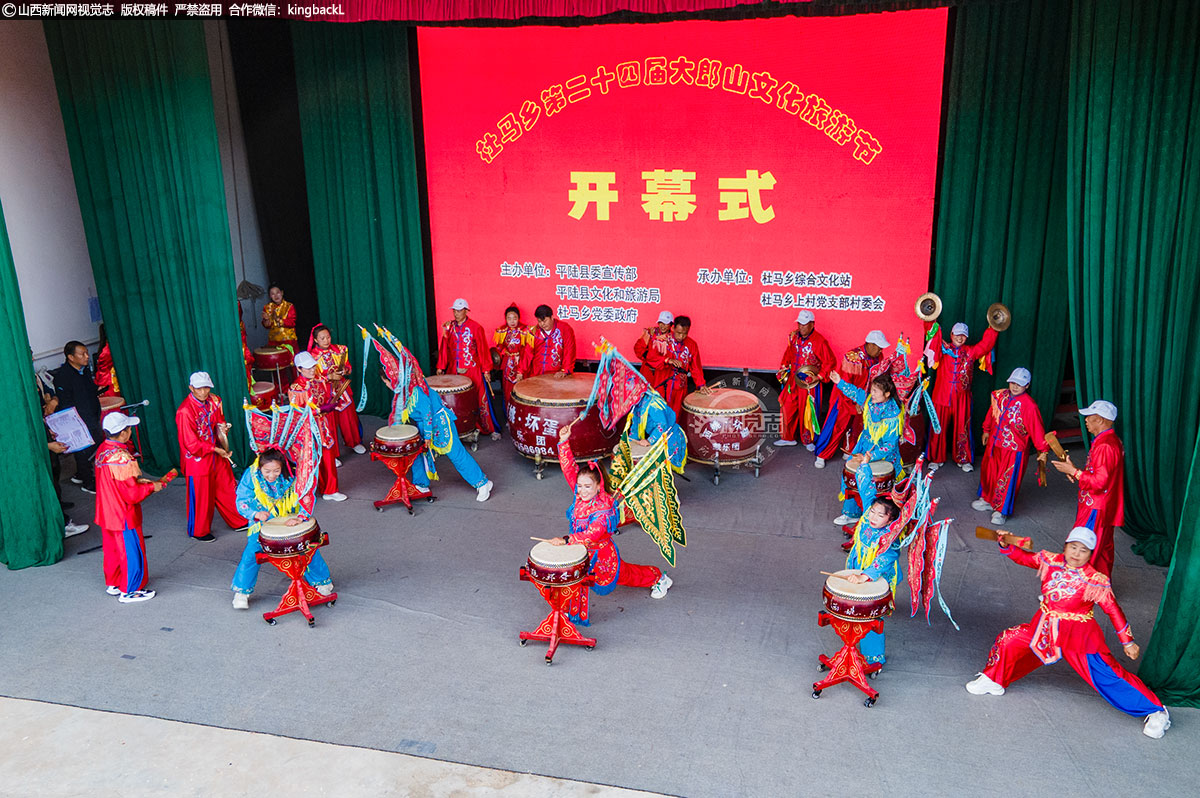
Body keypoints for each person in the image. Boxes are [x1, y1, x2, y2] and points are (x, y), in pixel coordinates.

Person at [965, 527, 1170, 739]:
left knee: (1107, 676)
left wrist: (1127, 641)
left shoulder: (1095, 580)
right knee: (1010, 639)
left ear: (1091, 554)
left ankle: (1155, 710)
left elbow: (1113, 609)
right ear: (1065, 546)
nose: (1076, 553)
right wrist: (1005, 545)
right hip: (1043, 629)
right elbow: (1024, 558)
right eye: (1073, 547)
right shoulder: (1050, 561)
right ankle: (993, 679)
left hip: (1078, 638)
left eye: (1083, 550)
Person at [544, 422, 672, 625]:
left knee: (625, 575)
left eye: (587, 486)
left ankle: (658, 577)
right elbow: (569, 469)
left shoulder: (603, 508)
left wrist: (567, 539)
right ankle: (571, 611)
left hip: (601, 554)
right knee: (575, 577)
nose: (582, 490)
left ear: (598, 486)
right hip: (580, 550)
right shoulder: (580, 496)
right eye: (580, 486)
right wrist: (563, 441)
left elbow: (593, 534)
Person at [230, 448, 333, 610]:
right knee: (252, 553)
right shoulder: (251, 475)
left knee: (307, 547)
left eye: (276, 470)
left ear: (282, 467)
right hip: (262, 523)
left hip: (289, 518)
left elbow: (306, 493)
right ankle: (242, 593)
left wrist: (300, 516)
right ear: (260, 466)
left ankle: (322, 581)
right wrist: (255, 513)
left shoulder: (292, 473)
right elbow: (242, 499)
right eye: (267, 471)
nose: (272, 475)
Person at [94, 412, 163, 603]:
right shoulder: (122, 457)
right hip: (122, 513)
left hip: (106, 510)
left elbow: (115, 481)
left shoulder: (103, 449)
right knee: (130, 550)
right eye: (128, 429)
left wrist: (138, 480)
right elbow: (131, 494)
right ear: (123, 433)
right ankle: (130, 590)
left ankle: (114, 582)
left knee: (112, 550)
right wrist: (151, 487)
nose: (130, 431)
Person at [1051, 400, 1125, 576]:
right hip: (1103, 505)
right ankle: (1100, 588)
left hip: (1095, 508)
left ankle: (1070, 591)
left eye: (1089, 417)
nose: (1085, 421)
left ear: (1099, 420)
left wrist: (1075, 472)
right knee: (1102, 549)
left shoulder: (1105, 446)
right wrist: (1076, 471)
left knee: (1081, 547)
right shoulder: (1108, 441)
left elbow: (1100, 482)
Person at [175, 372, 248, 540]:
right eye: (199, 388)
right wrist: (215, 449)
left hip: (217, 451)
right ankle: (199, 531)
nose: (204, 392)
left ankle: (238, 520)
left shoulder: (215, 401)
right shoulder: (185, 411)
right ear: (191, 388)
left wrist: (223, 431)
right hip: (198, 458)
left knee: (227, 486)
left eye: (206, 387)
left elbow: (219, 421)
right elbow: (190, 443)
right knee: (202, 495)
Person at [828, 370, 905, 527]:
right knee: (850, 474)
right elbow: (857, 393)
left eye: (876, 391)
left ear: (887, 394)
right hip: (864, 445)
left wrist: (871, 457)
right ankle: (851, 513)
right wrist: (839, 382)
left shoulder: (893, 415)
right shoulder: (870, 400)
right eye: (872, 390)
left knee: (873, 483)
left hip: (883, 454)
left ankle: (879, 519)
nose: (872, 394)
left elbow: (890, 445)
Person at [974, 368, 1049, 525]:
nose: (1015, 387)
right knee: (990, 472)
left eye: (1020, 384)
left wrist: (1043, 450)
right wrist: (986, 430)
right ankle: (987, 499)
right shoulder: (1000, 396)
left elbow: (1037, 429)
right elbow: (992, 414)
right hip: (995, 443)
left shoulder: (1030, 406)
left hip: (1014, 449)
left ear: (1027, 385)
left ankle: (1001, 511)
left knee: (1007, 479)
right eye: (1013, 383)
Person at [924, 320, 1000, 472]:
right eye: (957, 334)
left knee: (962, 428)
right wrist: (930, 317)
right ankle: (935, 458)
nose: (960, 338)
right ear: (951, 335)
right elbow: (931, 332)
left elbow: (986, 345)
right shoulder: (942, 348)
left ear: (966, 337)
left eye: (963, 336)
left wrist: (994, 327)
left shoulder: (971, 352)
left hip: (962, 398)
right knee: (937, 427)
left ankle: (963, 458)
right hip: (941, 396)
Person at [814, 330, 889, 469]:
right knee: (837, 426)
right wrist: (851, 405)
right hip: (844, 398)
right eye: (879, 347)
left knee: (857, 428)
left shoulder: (878, 356)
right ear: (870, 344)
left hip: (864, 399)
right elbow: (843, 384)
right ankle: (822, 454)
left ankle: (849, 451)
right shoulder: (852, 358)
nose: (881, 350)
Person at [842, 498, 902, 665]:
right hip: (860, 567)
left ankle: (874, 657)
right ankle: (853, 640)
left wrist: (865, 576)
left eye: (880, 515)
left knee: (871, 615)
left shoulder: (890, 536)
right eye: (872, 512)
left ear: (890, 520)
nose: (873, 517)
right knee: (857, 606)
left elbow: (887, 558)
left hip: (877, 575)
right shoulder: (865, 522)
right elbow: (866, 493)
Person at [436, 298, 497, 439]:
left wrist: (486, 369)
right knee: (455, 400)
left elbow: (482, 349)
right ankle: (458, 428)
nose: (456, 314)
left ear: (465, 311)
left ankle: (487, 427)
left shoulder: (476, 327)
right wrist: (441, 365)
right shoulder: (449, 327)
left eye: (459, 311)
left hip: (472, 369)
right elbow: (444, 347)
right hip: (454, 369)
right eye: (454, 311)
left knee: (479, 397)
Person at [289, 352, 346, 501]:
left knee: (327, 456)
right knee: (314, 459)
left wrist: (331, 402)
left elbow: (327, 390)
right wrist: (320, 409)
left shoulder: (317, 379)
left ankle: (331, 489)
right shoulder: (296, 388)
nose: (312, 370)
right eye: (308, 368)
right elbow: (297, 413)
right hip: (308, 429)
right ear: (299, 369)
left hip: (322, 425)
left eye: (313, 366)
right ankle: (321, 488)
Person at [776, 310, 836, 450]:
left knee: (808, 410)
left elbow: (829, 361)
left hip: (810, 382)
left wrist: (819, 376)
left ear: (812, 324)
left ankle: (808, 440)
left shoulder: (819, 341)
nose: (801, 327)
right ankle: (787, 437)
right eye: (799, 324)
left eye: (804, 324)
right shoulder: (793, 337)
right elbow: (788, 354)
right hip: (793, 379)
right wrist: (783, 369)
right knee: (787, 406)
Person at [51, 340, 103, 493]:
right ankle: (88, 483)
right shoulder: (63, 376)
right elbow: (66, 403)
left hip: (91, 415)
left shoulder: (84, 370)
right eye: (82, 354)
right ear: (71, 357)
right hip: (78, 420)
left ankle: (81, 473)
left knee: (96, 443)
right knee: (83, 450)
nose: (87, 357)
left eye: (87, 353)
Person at [308, 323, 366, 454]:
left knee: (349, 418)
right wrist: (328, 376)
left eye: (328, 337)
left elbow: (348, 367)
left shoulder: (340, 350)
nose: (326, 341)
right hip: (325, 392)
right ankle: (332, 454)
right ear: (316, 340)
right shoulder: (311, 357)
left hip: (342, 389)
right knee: (329, 423)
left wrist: (345, 370)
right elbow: (312, 377)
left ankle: (354, 442)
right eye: (322, 338)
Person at [39, 382, 88, 536]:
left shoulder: (34, 375)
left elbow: (50, 392)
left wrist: (52, 401)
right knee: (48, 482)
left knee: (55, 472)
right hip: (41, 443)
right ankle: (64, 524)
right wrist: (47, 445)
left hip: (46, 428)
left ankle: (58, 503)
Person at [645, 315, 709, 417]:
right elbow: (650, 358)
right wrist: (667, 360)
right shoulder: (661, 340)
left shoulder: (691, 345)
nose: (681, 337)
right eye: (678, 333)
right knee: (659, 416)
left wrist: (701, 385)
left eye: (684, 334)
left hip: (680, 387)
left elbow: (696, 367)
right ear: (673, 328)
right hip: (663, 384)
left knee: (677, 416)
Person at [492, 303, 533, 405]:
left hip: (520, 362)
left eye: (514, 318)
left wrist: (521, 369)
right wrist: (496, 353)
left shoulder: (525, 331)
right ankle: (507, 415)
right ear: (505, 319)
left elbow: (527, 351)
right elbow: (500, 346)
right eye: (509, 318)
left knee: (521, 390)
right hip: (507, 364)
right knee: (507, 390)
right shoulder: (502, 330)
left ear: (519, 318)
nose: (512, 321)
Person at [528, 304, 577, 378]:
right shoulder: (534, 331)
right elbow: (527, 352)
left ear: (552, 317)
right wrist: (520, 371)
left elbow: (569, 351)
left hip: (556, 375)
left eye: (545, 321)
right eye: (539, 321)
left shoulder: (565, 329)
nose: (542, 324)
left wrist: (565, 370)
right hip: (537, 374)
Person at [633, 310, 674, 380]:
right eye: (660, 322)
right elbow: (638, 348)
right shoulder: (650, 333)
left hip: (664, 373)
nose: (662, 326)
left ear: (671, 324)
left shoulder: (673, 338)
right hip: (647, 370)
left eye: (665, 323)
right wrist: (648, 357)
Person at [94, 324, 120, 397]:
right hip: (110, 383)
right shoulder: (107, 350)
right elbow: (103, 370)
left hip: (109, 381)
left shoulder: (106, 348)